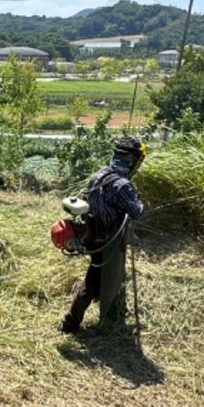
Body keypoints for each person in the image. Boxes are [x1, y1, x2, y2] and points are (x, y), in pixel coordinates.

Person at [61, 135, 145, 334]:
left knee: (105, 275)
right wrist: (137, 200)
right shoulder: (121, 186)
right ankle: (70, 323)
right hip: (108, 242)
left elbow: (83, 198)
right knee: (91, 283)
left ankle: (107, 300)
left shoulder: (99, 174)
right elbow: (137, 212)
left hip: (91, 237)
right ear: (132, 161)